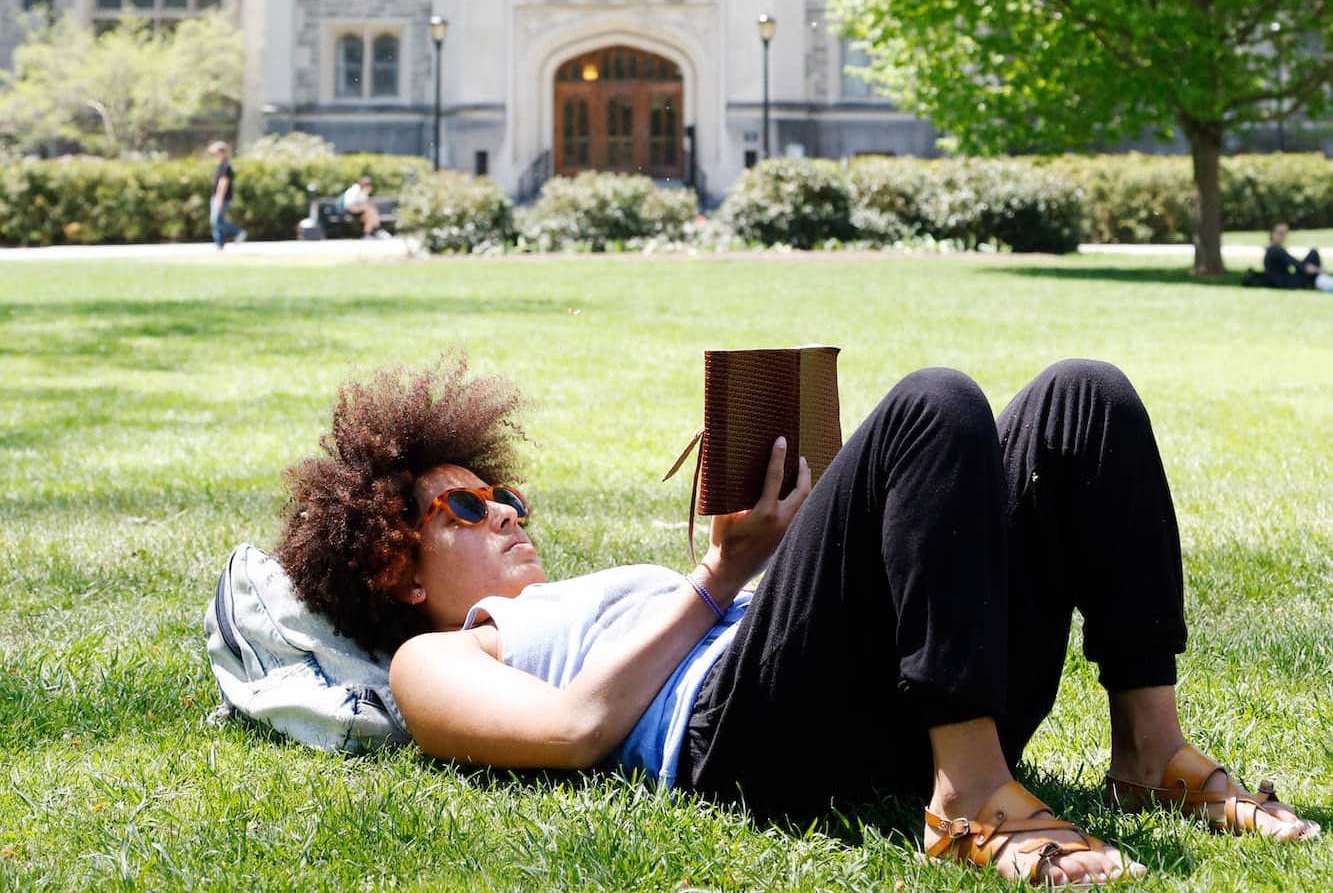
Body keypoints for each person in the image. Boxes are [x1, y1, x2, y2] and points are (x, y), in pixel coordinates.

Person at [275, 358, 1319, 886]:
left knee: (1080, 399)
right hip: (744, 740)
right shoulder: (436, 656)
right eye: (464, 506)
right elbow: (573, 731)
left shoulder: (597, 587)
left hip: (855, 675)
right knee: (933, 401)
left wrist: (805, 525)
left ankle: (1150, 752)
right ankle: (969, 795)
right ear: (393, 562)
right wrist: (715, 573)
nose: (502, 510)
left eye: (506, 498)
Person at [208, 140, 246, 249]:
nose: (214, 155)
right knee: (216, 222)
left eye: (216, 153)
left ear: (223, 152)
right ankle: (219, 245)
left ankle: (238, 232)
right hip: (216, 197)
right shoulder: (220, 165)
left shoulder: (226, 166)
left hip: (221, 198)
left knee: (217, 221)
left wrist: (219, 198)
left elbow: (223, 183)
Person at [1262, 223, 1323, 289]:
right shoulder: (1274, 250)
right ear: (1272, 233)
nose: (1282, 236)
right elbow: (1294, 262)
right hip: (1285, 283)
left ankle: (1319, 278)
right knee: (1313, 254)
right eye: (1280, 233)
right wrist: (1313, 269)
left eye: (1284, 234)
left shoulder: (1274, 248)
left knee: (1313, 253)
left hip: (1287, 279)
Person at [338, 174, 387, 239]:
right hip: (348, 212)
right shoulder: (354, 190)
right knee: (370, 211)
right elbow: (349, 205)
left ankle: (369, 234)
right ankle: (377, 230)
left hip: (359, 212)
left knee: (370, 214)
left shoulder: (363, 192)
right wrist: (364, 207)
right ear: (366, 185)